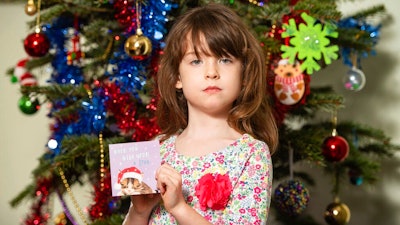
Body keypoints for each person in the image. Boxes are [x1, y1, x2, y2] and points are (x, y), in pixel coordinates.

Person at [123, 3, 278, 225]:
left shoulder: (251, 154)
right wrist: (138, 212)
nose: (212, 73)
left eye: (225, 60)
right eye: (196, 61)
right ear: (177, 77)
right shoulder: (157, 150)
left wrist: (179, 208)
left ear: (243, 75)